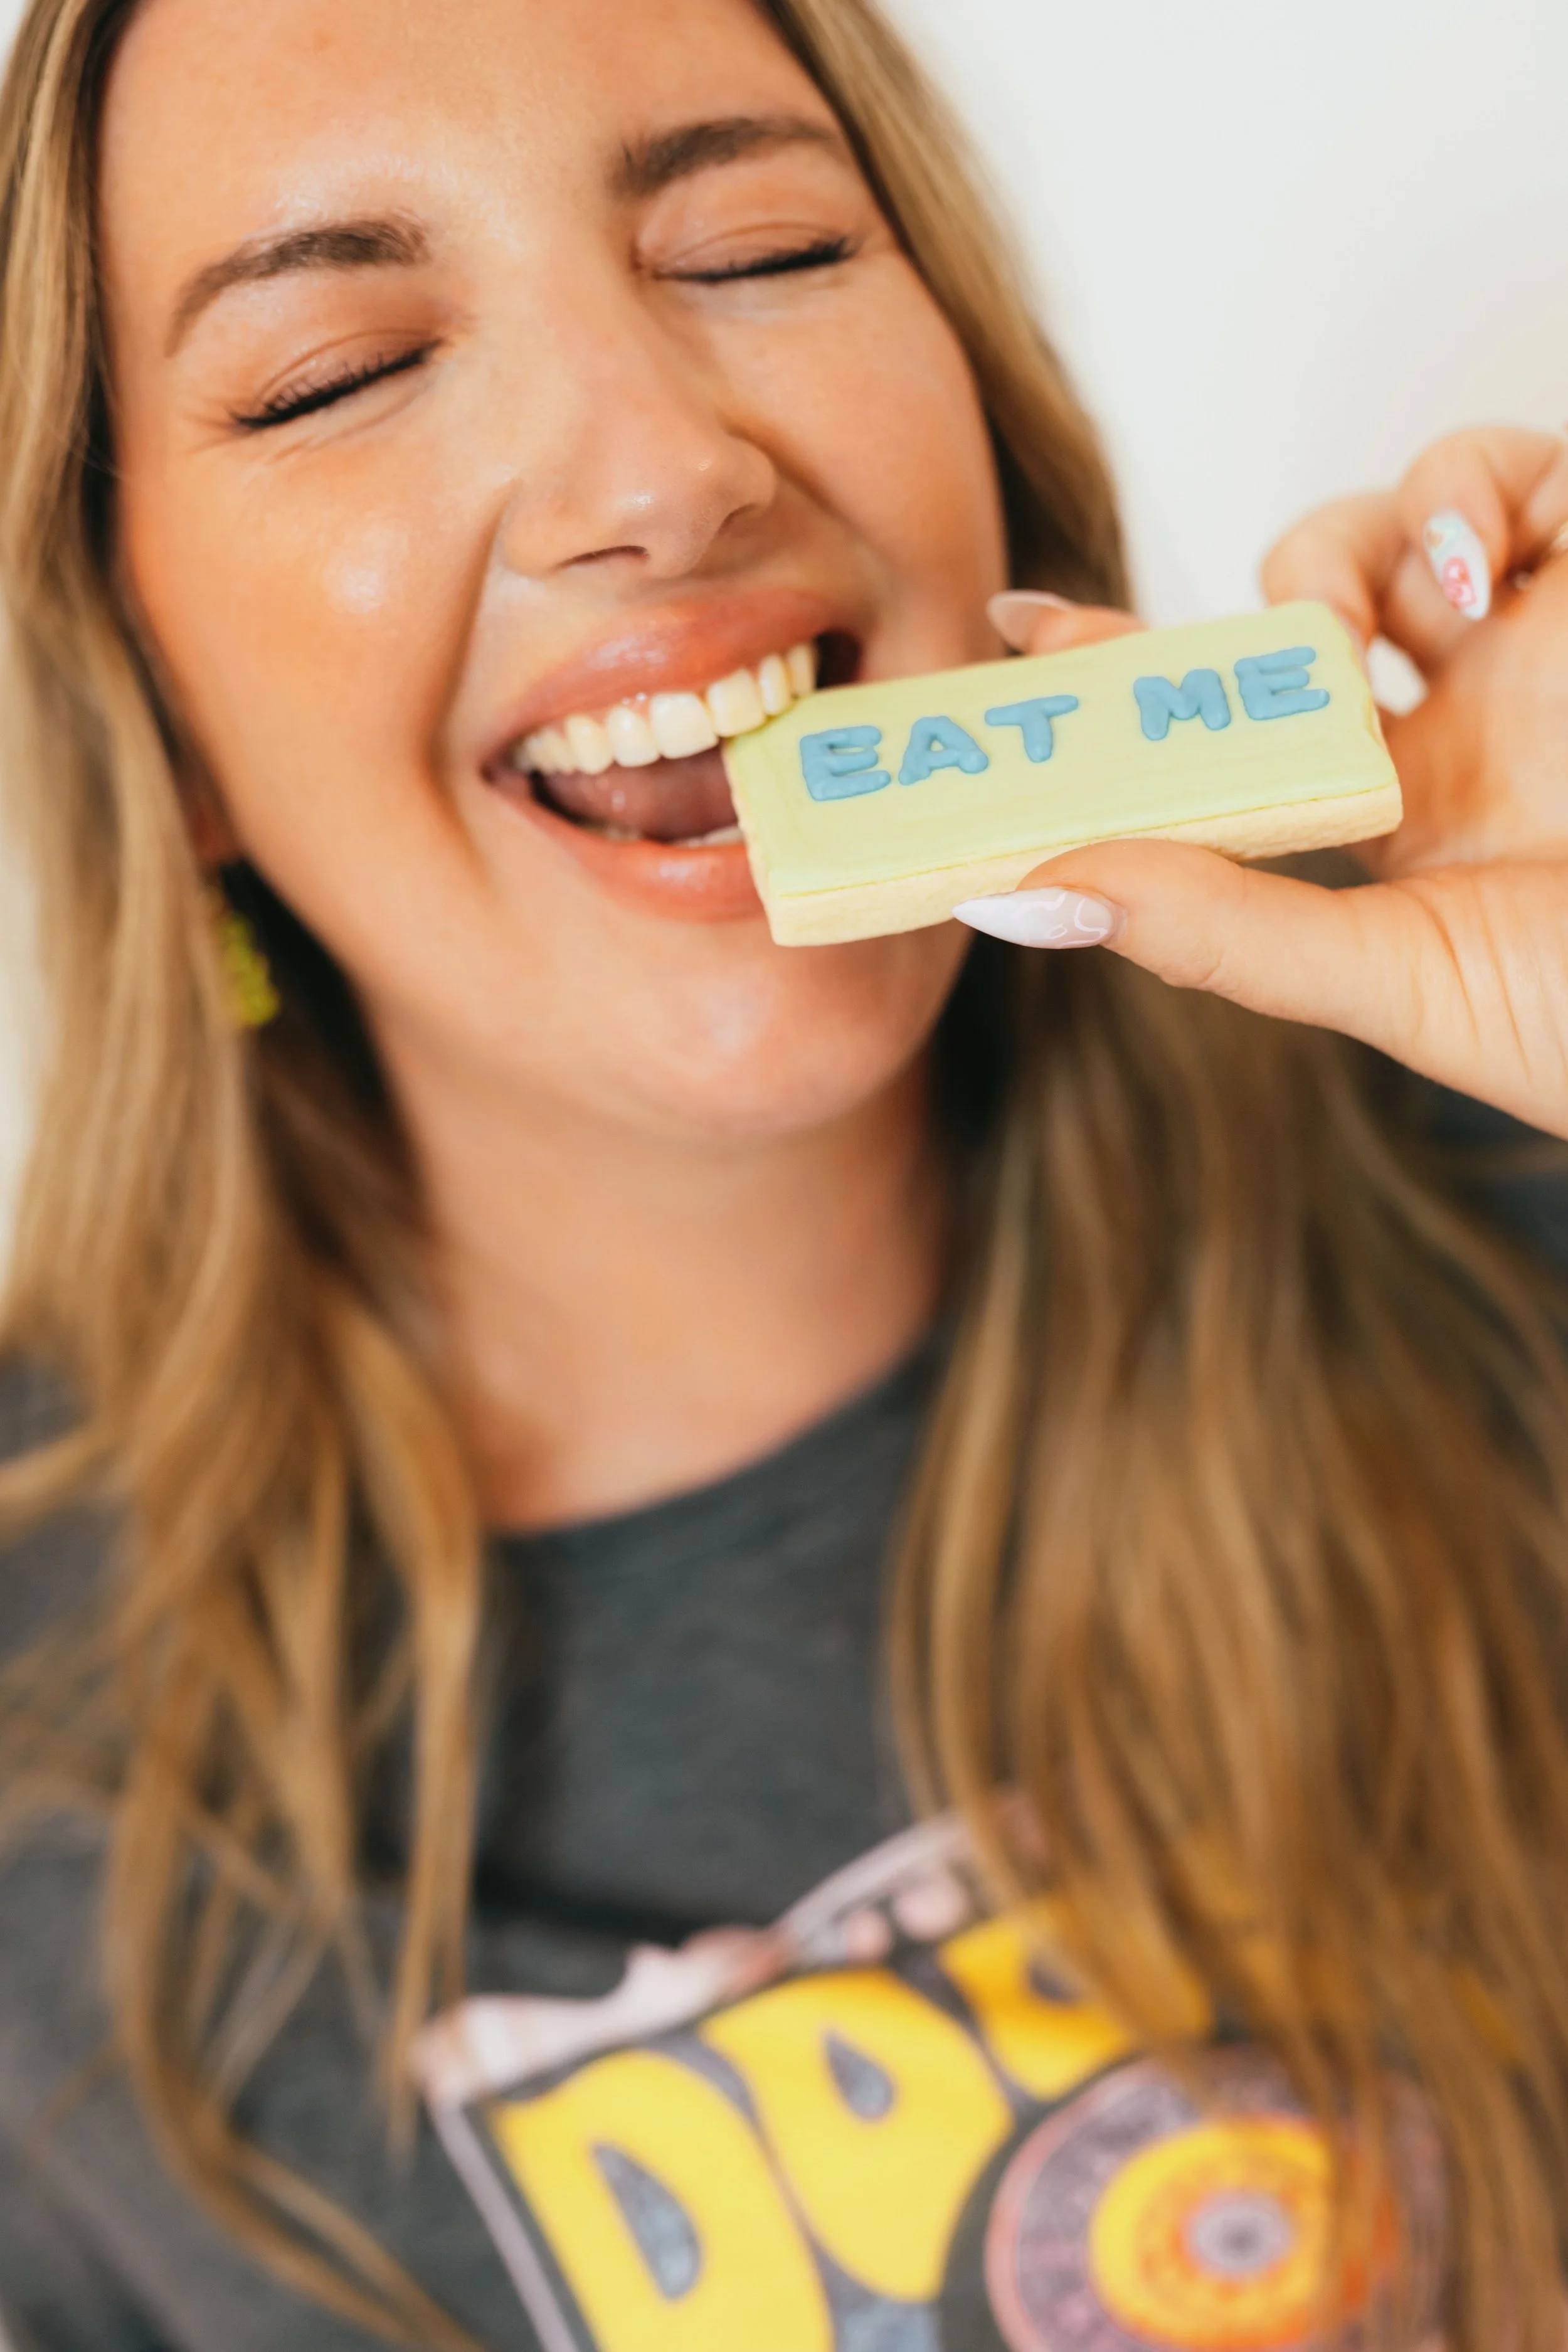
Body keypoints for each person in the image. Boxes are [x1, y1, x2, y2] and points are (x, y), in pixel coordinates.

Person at [1, 0, 1566, 2344]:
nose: (657, 465)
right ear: (155, 710)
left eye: (753, 244)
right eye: (336, 370)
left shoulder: (1502, 1195)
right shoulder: (39, 1778)